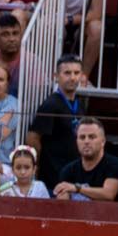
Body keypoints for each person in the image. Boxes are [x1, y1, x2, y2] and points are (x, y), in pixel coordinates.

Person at [26, 53, 85, 190]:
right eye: (67, 73)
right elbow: (33, 137)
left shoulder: (79, 103)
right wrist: (37, 166)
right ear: (56, 76)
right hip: (53, 175)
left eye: (76, 73)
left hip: (73, 173)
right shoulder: (50, 104)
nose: (73, 77)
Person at [53, 117, 118, 202]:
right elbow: (62, 202)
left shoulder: (115, 165)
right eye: (82, 137)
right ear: (76, 141)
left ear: (103, 141)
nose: (86, 141)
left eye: (92, 137)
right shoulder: (68, 170)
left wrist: (77, 188)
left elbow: (108, 195)